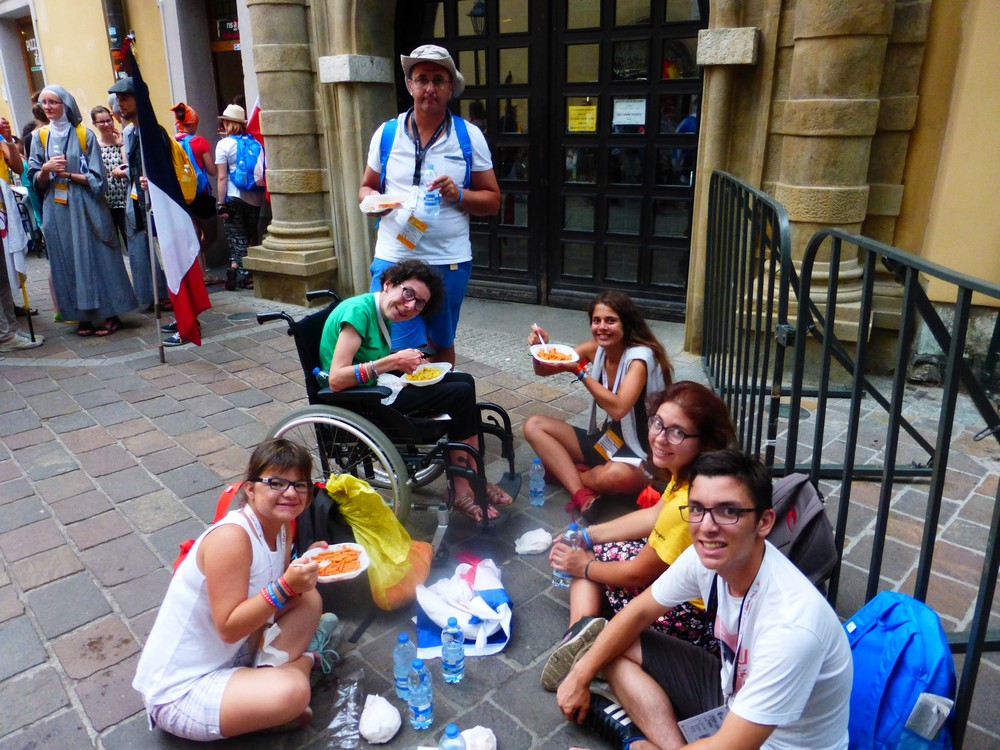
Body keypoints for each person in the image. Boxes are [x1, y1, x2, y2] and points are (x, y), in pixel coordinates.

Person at [557, 450, 853, 750]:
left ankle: (640, 743)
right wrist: (578, 677)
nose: (708, 526)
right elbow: (638, 612)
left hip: (772, 743)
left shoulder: (792, 628)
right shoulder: (709, 555)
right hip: (730, 696)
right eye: (697, 509)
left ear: (764, 522)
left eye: (728, 511)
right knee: (614, 644)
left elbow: (729, 746)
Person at [133, 439, 336, 741]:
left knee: (309, 599)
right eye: (277, 483)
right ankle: (306, 662)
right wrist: (285, 586)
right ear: (250, 489)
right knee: (294, 692)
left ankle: (266, 690)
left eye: (300, 485)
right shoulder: (231, 538)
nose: (291, 493)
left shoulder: (281, 526)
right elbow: (229, 628)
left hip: (235, 653)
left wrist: (303, 562)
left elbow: (270, 586)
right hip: (183, 690)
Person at [542, 383, 736, 692]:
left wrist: (584, 565)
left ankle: (578, 639)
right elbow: (654, 514)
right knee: (600, 549)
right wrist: (588, 536)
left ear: (705, 442)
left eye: (677, 432)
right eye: (658, 423)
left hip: (690, 620)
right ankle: (581, 635)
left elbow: (640, 572)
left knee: (596, 562)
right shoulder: (694, 475)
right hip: (704, 605)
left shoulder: (689, 505)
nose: (659, 437)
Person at [319, 258, 512, 521]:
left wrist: (404, 363)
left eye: (419, 303)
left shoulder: (380, 312)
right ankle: (462, 487)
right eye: (408, 293)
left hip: (377, 388)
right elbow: (336, 379)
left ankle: (474, 476)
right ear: (388, 284)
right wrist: (394, 362)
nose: (410, 306)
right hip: (360, 401)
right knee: (459, 394)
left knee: (464, 380)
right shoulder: (359, 312)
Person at [358, 44, 500, 366]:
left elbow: (492, 201)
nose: (430, 88)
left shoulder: (468, 136)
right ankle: (407, 411)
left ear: (451, 87)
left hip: (448, 261)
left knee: (441, 343)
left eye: (438, 80)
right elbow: (366, 187)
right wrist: (373, 203)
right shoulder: (387, 134)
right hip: (395, 258)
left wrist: (458, 194)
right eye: (422, 79)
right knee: (394, 345)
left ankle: (443, 405)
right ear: (410, 85)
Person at [524, 291, 673, 518]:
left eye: (610, 321)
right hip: (606, 441)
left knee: (612, 477)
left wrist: (581, 373)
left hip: (640, 454)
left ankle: (567, 473)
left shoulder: (639, 359)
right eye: (596, 321)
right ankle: (582, 495)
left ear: (626, 324)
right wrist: (540, 349)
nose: (602, 327)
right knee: (534, 425)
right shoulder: (595, 350)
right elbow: (545, 369)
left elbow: (618, 408)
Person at [28, 86, 137, 336]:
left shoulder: (83, 135)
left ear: (65, 105)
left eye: (53, 102)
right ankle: (81, 317)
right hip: (57, 208)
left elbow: (99, 179)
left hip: (86, 204)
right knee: (67, 259)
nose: (47, 107)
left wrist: (68, 174)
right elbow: (34, 179)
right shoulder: (39, 138)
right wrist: (45, 170)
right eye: (44, 103)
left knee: (100, 256)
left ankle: (112, 313)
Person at [108, 77, 172, 319]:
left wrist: (152, 182)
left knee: (165, 257)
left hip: (159, 207)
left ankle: (178, 309)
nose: (119, 104)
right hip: (137, 201)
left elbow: (166, 170)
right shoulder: (130, 132)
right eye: (118, 99)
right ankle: (153, 297)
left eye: (125, 98)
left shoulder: (153, 131)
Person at [0, 117, 42, 352]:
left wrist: (7, 139)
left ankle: (10, 328)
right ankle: (3, 334)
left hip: (3, 210)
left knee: (4, 272)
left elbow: (17, 167)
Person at [171, 102, 220, 285]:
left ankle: (199, 272)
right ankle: (199, 271)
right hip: (201, 195)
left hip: (182, 195)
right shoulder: (199, 142)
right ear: (192, 123)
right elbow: (212, 170)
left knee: (193, 234)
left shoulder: (172, 142)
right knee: (211, 234)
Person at [215, 103, 262, 291]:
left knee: (238, 237)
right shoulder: (255, 143)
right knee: (249, 235)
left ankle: (248, 275)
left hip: (234, 196)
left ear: (227, 123)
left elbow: (221, 177)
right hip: (255, 197)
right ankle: (233, 269)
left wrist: (221, 203)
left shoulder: (224, 144)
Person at [91, 105, 129, 246]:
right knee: (110, 243)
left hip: (125, 200)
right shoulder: (94, 146)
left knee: (129, 241)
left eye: (109, 120)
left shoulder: (122, 141)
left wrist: (121, 145)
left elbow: (127, 167)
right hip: (106, 202)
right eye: (101, 122)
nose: (106, 124)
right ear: (94, 124)